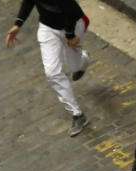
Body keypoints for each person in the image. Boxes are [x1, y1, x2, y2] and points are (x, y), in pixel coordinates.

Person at [6, 0, 91, 137]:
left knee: (74, 66)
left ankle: (84, 59)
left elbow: (73, 10)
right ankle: (77, 114)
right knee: (52, 73)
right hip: (48, 28)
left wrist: (70, 34)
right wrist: (18, 24)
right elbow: (28, 2)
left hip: (73, 26)